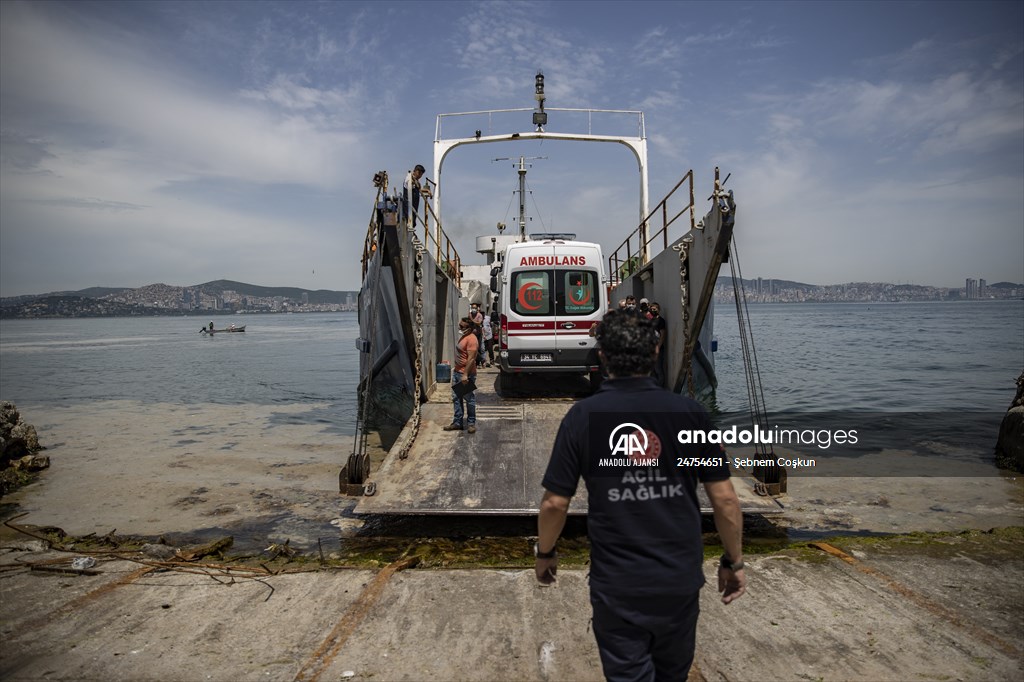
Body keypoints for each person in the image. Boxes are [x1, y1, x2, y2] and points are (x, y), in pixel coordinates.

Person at [535, 309, 745, 681]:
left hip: (618, 586)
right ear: (655, 352)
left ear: (602, 356)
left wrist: (546, 553)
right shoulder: (690, 414)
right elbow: (725, 499)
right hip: (678, 581)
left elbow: (555, 503)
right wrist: (733, 561)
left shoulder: (582, 417)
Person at [444, 316, 479, 434]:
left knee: (469, 398)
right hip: (457, 372)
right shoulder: (464, 337)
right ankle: (457, 422)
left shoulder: (472, 339)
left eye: (462, 326)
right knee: (456, 398)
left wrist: (465, 375)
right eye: (459, 325)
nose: (459, 327)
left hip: (466, 374)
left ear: (469, 328)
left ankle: (471, 423)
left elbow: (471, 360)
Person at [649, 302, 667, 385]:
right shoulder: (651, 321)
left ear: (658, 310)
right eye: (651, 309)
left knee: (658, 369)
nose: (653, 310)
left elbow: (662, 335)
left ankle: (660, 387)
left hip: (658, 349)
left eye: (654, 309)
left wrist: (658, 348)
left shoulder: (661, 321)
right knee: (652, 370)